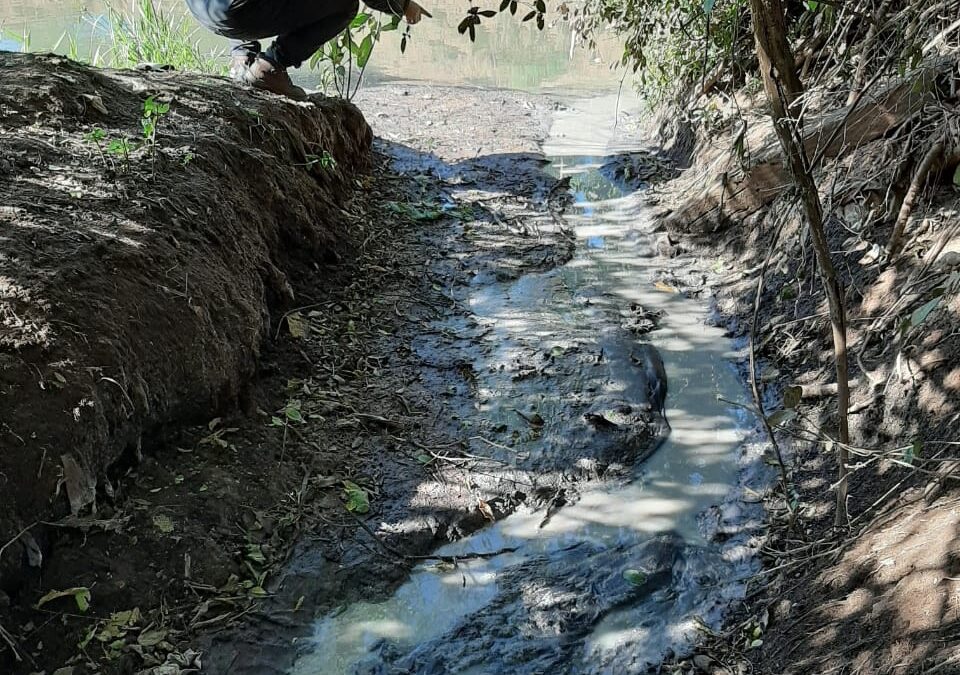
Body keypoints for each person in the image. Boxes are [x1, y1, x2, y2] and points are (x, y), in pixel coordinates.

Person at [186, 0, 430, 100]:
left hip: (203, 9)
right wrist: (403, 5)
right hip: (240, 12)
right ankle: (270, 67)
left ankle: (242, 57)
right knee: (345, 4)